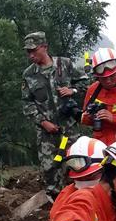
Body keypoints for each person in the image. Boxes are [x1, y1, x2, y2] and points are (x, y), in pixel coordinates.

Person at [21, 31, 89, 196]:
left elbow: (86, 83)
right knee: (50, 170)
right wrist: (43, 122)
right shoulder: (29, 75)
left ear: (44, 47)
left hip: (69, 129)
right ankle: (55, 203)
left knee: (77, 164)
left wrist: (72, 90)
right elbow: (27, 104)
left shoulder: (64, 64)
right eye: (28, 52)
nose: (31, 55)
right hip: (47, 134)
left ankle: (80, 199)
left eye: (34, 50)